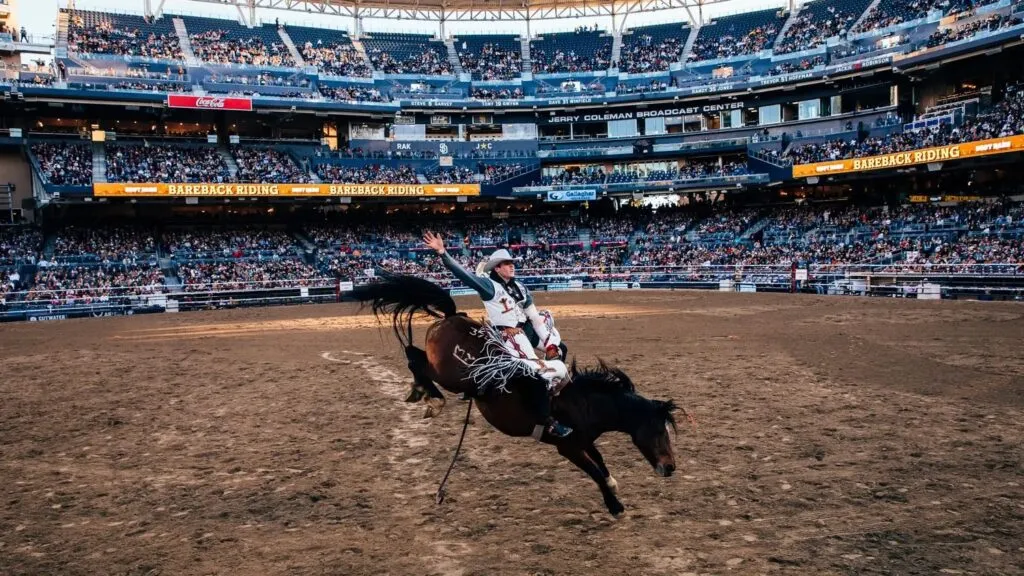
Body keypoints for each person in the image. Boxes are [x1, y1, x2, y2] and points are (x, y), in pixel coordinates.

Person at [423, 231, 573, 439]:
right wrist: (443, 253)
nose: (512, 266)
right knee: (534, 373)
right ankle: (546, 420)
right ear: (498, 268)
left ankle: (551, 394)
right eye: (506, 263)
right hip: (507, 337)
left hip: (522, 332)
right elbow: (464, 275)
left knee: (559, 351)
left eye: (511, 263)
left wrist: (550, 345)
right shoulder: (489, 286)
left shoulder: (519, 288)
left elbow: (535, 319)